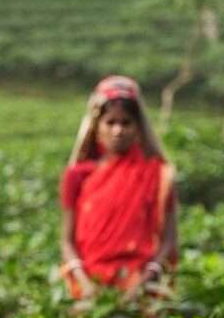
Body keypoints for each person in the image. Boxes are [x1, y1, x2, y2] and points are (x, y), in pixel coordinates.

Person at [60, 76, 178, 300]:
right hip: (89, 286)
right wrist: (84, 284)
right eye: (110, 122)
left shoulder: (158, 174)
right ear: (97, 126)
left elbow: (169, 240)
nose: (118, 130)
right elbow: (67, 241)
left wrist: (143, 283)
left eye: (126, 123)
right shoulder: (78, 176)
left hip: (141, 286)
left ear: (138, 127)